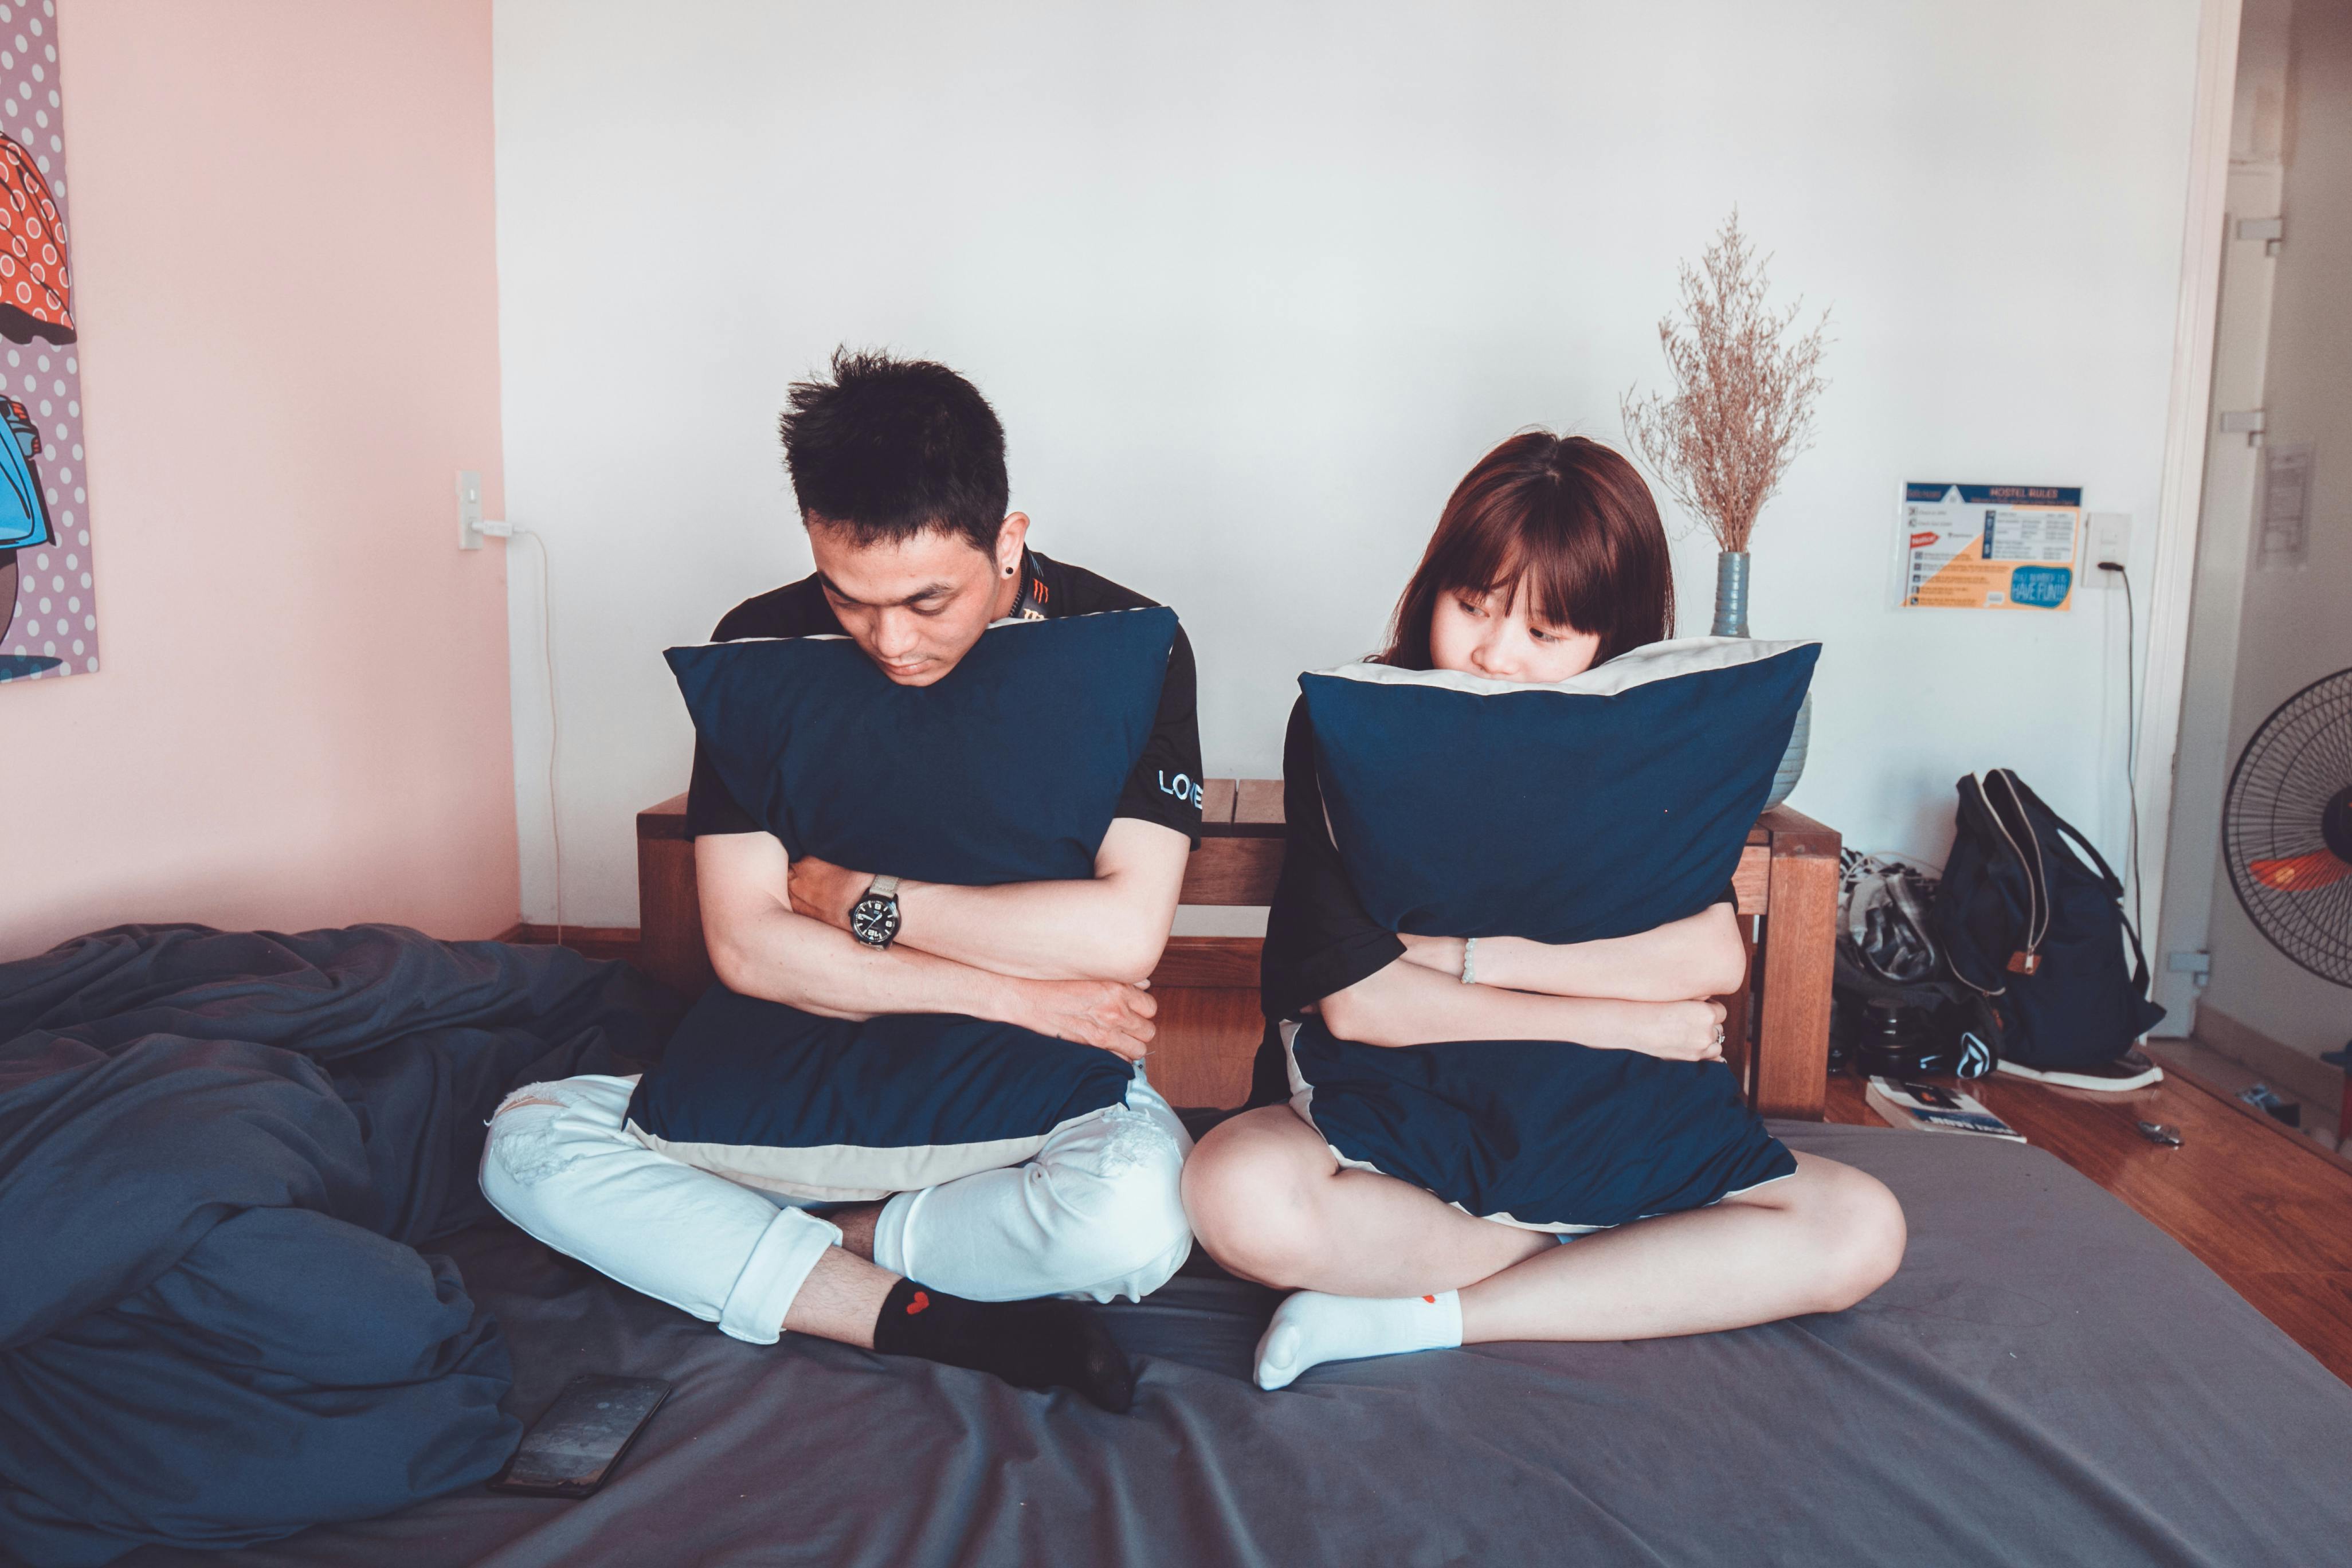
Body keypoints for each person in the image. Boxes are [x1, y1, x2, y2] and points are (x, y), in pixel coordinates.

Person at [481, 350, 1205, 1411]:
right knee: (526, 1148)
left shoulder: (1131, 642)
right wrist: (1012, 988)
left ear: (1010, 538)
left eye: (926, 600)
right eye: (851, 599)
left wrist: (862, 901)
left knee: (1137, 1217)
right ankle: (911, 1310)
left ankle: (814, 1250)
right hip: (817, 1054)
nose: (891, 642)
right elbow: (748, 946)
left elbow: (1117, 937)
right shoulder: (761, 643)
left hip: (1025, 1080)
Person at [1181, 432, 1906, 1391]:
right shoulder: (1354, 725)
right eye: (1472, 607)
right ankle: (1631, 1282)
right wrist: (1625, 1016)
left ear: (1611, 640)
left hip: (1615, 1119)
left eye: (1545, 634)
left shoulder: (1647, 746)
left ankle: (1431, 1313)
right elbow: (1367, 1007)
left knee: (1862, 1230)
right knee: (1234, 1193)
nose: (1493, 655)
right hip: (1402, 1112)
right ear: (1431, 588)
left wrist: (1457, 955)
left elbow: (1707, 960)